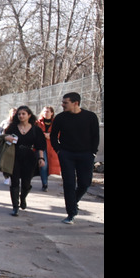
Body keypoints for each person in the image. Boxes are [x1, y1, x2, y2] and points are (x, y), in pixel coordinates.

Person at [51, 92, 100, 224]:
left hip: (86, 154)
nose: (62, 105)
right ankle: (71, 213)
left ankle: (73, 201)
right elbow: (53, 136)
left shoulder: (90, 117)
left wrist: (93, 153)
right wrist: (59, 151)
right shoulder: (60, 118)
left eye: (65, 103)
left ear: (75, 103)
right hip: (67, 154)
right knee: (69, 183)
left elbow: (95, 136)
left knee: (85, 183)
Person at [2, 106, 47, 216]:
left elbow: (40, 146)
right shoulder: (12, 127)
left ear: (29, 115)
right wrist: (6, 137)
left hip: (29, 157)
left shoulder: (36, 130)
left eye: (23, 114)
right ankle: (15, 207)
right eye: (19, 114)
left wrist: (41, 158)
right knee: (15, 182)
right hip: (14, 157)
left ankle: (23, 198)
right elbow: (3, 137)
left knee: (26, 183)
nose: (21, 116)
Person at [36, 106, 60, 191]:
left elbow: (59, 133)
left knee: (50, 166)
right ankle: (45, 184)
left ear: (52, 113)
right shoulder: (38, 122)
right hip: (40, 146)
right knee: (43, 165)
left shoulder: (55, 122)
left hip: (51, 146)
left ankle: (45, 179)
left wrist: (51, 136)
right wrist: (43, 135)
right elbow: (35, 132)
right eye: (44, 111)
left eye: (48, 111)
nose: (46, 113)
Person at [0, 108, 17, 185]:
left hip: (15, 144)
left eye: (16, 112)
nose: (14, 114)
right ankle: (6, 176)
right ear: (9, 113)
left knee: (14, 161)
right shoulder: (5, 122)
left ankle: (13, 176)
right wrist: (3, 137)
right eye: (13, 112)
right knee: (4, 161)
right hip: (5, 143)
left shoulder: (19, 123)